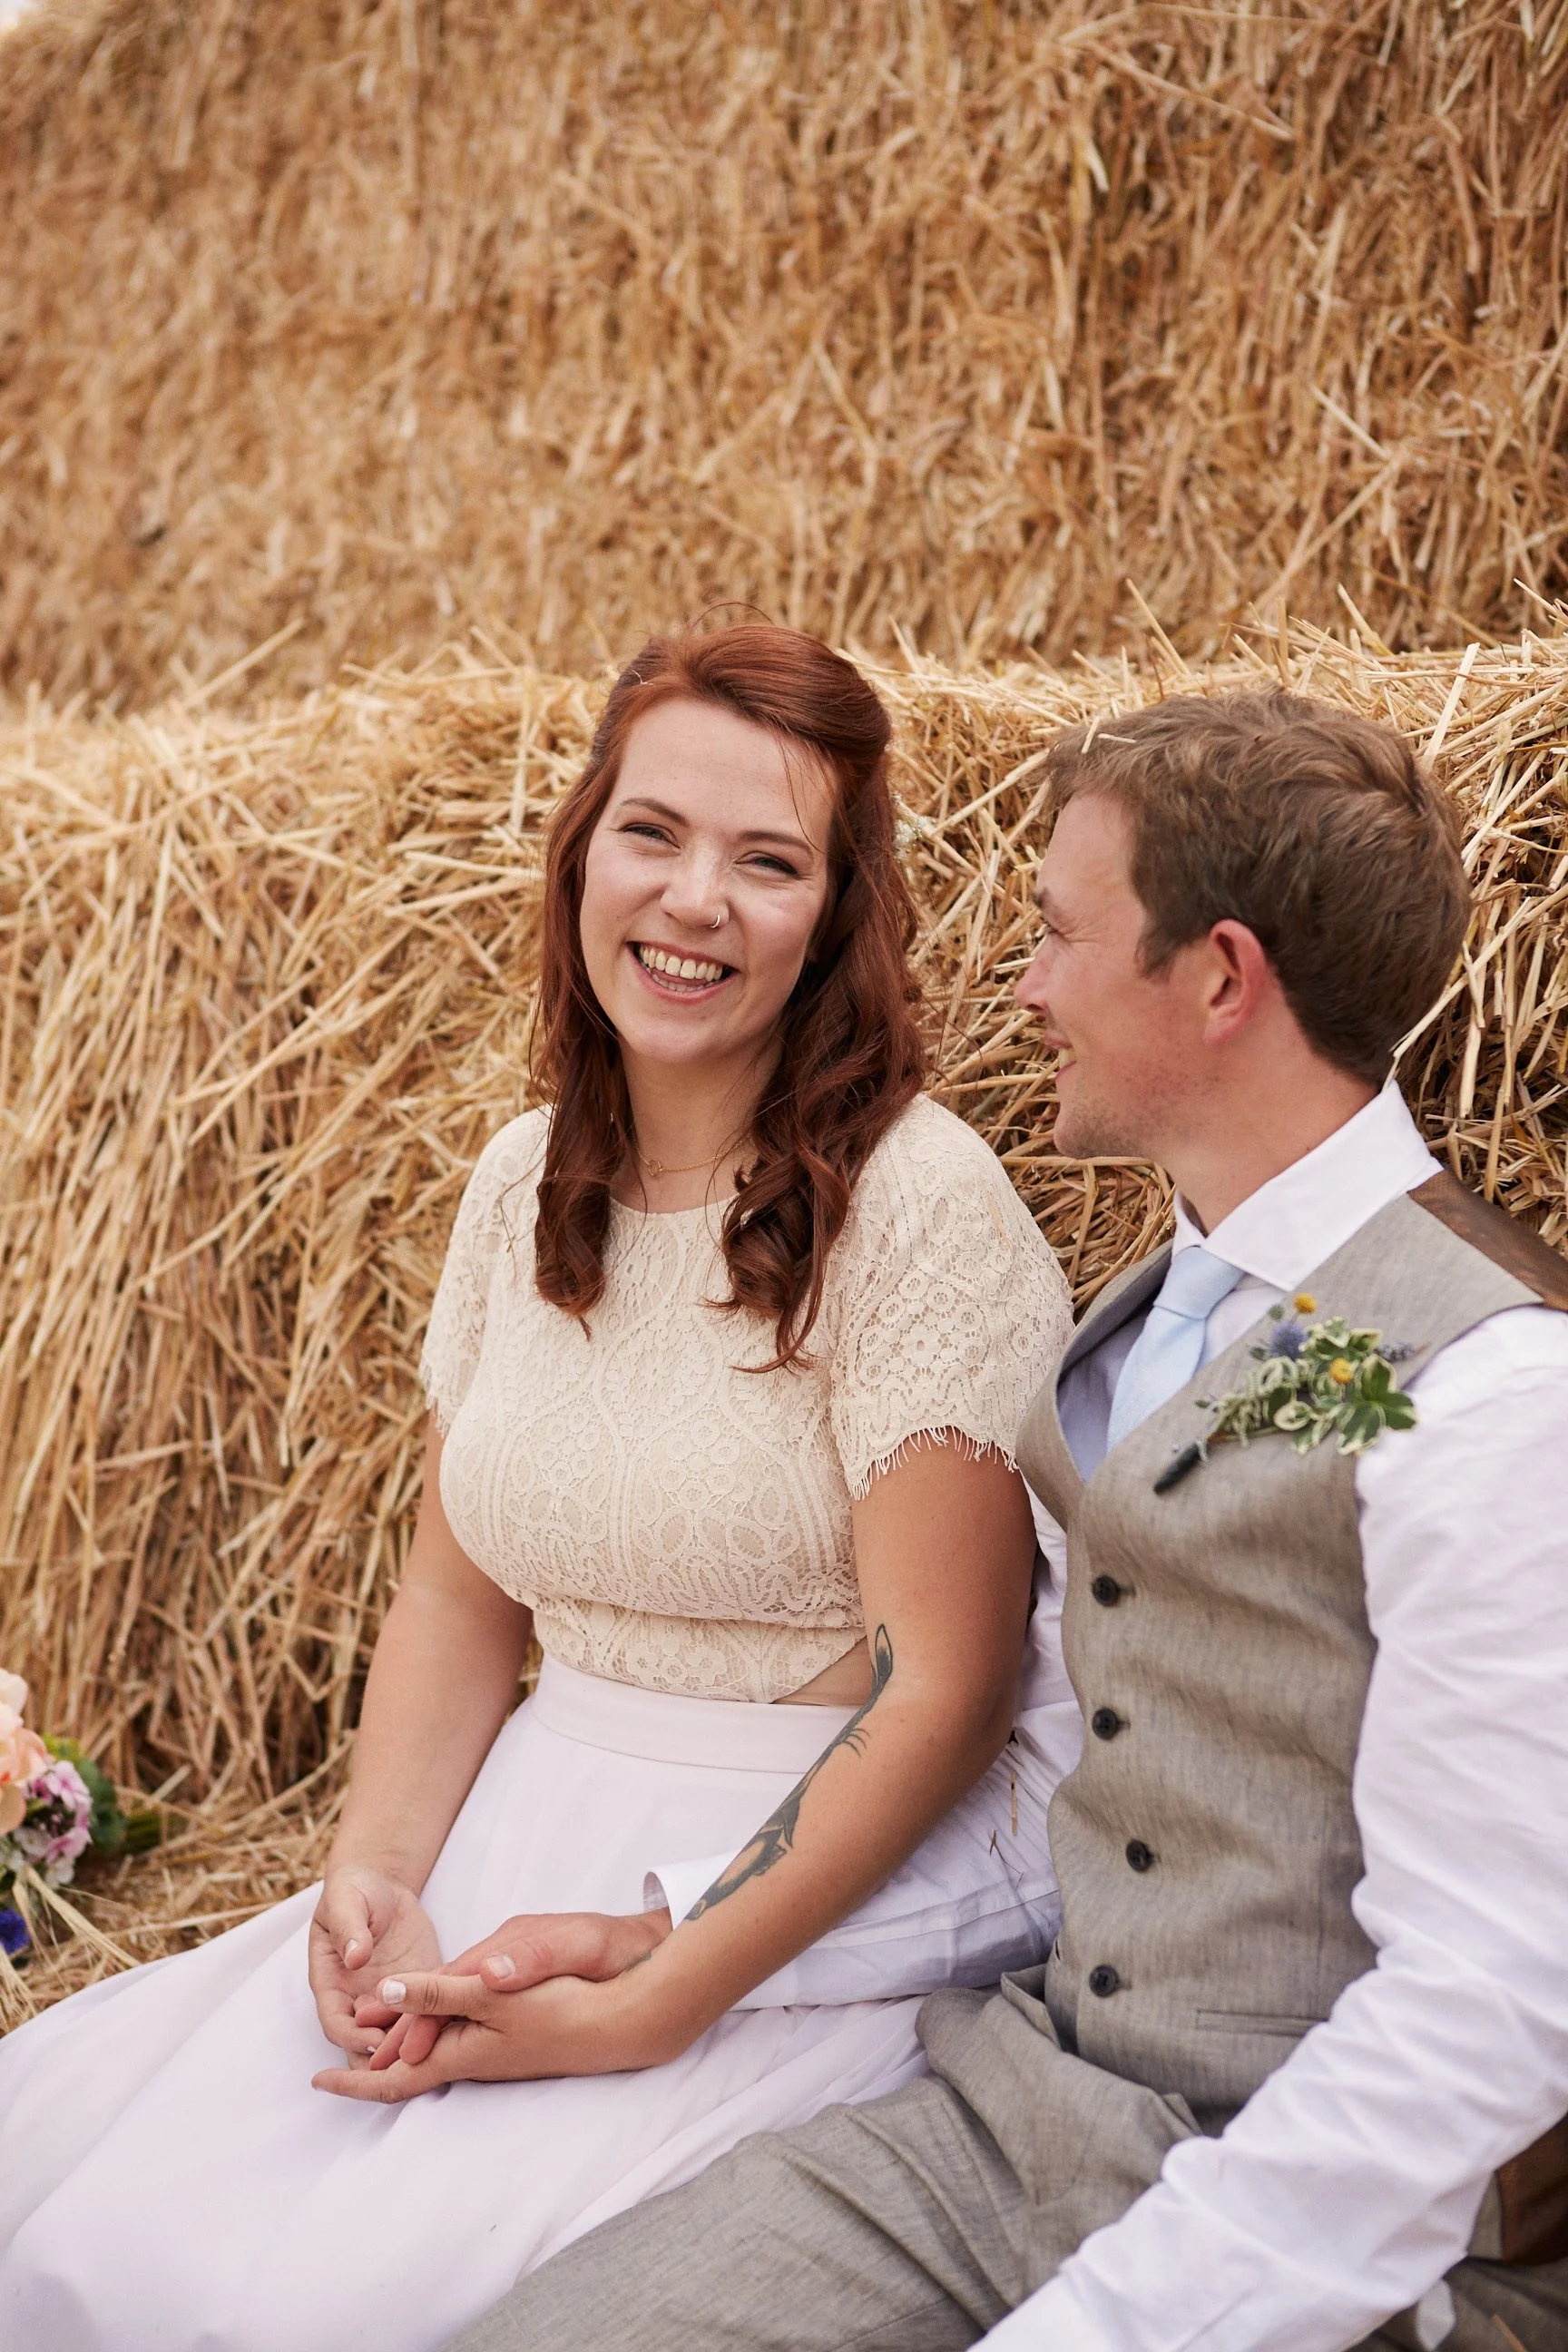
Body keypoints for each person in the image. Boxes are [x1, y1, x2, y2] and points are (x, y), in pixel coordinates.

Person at [0, 625, 1080, 2352]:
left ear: (838, 918)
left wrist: (665, 1995)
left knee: (339, 2309)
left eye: (770, 860)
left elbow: (942, 1697)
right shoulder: (523, 1182)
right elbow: (456, 1588)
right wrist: (375, 1867)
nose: (696, 898)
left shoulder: (917, 1207)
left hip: (775, 1908)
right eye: (652, 832)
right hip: (507, 1850)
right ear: (582, 850)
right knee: (91, 2225)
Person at [448, 691, 1568, 2352]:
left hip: (1331, 2218)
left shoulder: (1492, 1393)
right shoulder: (1158, 1319)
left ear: (1219, 979)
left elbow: (1483, 2023)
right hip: (1019, 2119)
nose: (1022, 988)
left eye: (1057, 936)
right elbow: (1081, 1790)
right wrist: (676, 1928)